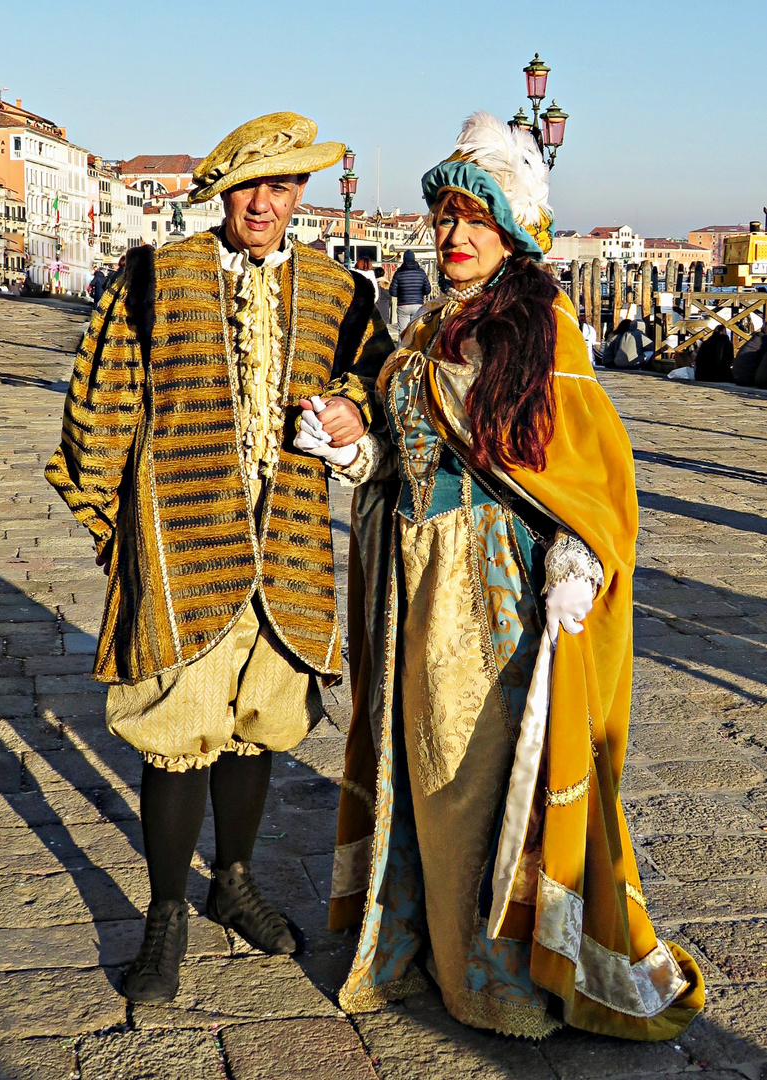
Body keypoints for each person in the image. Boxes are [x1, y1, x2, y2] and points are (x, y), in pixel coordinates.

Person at [300, 111, 704, 1041]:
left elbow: (587, 476)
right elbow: (410, 450)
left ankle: (499, 971)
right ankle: (428, 951)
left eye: (470, 220)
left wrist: (576, 555)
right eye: (441, 219)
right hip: (413, 589)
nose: (451, 236)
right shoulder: (434, 321)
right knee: (419, 772)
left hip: (489, 597)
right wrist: (356, 447)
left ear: (509, 227)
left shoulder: (540, 329)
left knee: (479, 786)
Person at [45, 111, 393, 1005]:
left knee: (261, 722)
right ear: (223, 192)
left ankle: (232, 880)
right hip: (181, 549)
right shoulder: (154, 276)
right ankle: (164, 911)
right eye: (251, 185)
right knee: (176, 736)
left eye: (284, 186)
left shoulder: (343, 292)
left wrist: (353, 404)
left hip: (290, 554)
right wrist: (118, 538)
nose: (266, 202)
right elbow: (98, 410)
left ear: (302, 195)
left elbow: (381, 380)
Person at [389, 249, 431, 333]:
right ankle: (415, 346)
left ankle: (403, 346)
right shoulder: (421, 272)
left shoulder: (399, 273)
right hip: (418, 304)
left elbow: (392, 292)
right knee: (416, 331)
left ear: (404, 259)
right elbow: (427, 290)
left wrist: (401, 294)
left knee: (403, 332)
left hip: (403, 305)